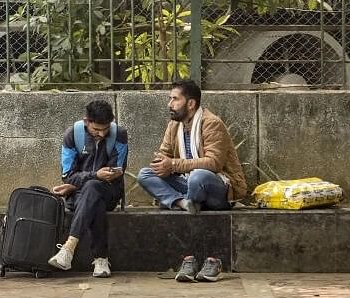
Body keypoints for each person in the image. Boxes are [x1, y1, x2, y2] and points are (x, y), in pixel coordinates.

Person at [138, 79, 247, 283]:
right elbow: (164, 155)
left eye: (175, 99)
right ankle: (183, 202)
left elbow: (213, 163)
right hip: (190, 186)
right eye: (170, 99)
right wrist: (160, 164)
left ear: (191, 104)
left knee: (198, 175)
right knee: (145, 174)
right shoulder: (174, 125)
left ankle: (195, 255)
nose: (169, 104)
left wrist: (174, 165)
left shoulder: (211, 123)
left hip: (217, 187)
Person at [47, 99, 128, 277]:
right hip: (78, 194)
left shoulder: (119, 134)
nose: (101, 133)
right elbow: (67, 175)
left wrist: (103, 176)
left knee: (94, 189)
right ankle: (101, 259)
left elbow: (118, 170)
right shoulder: (72, 135)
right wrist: (94, 176)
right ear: (87, 121)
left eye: (105, 129)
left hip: (110, 192)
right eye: (96, 129)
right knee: (94, 196)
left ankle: (69, 248)